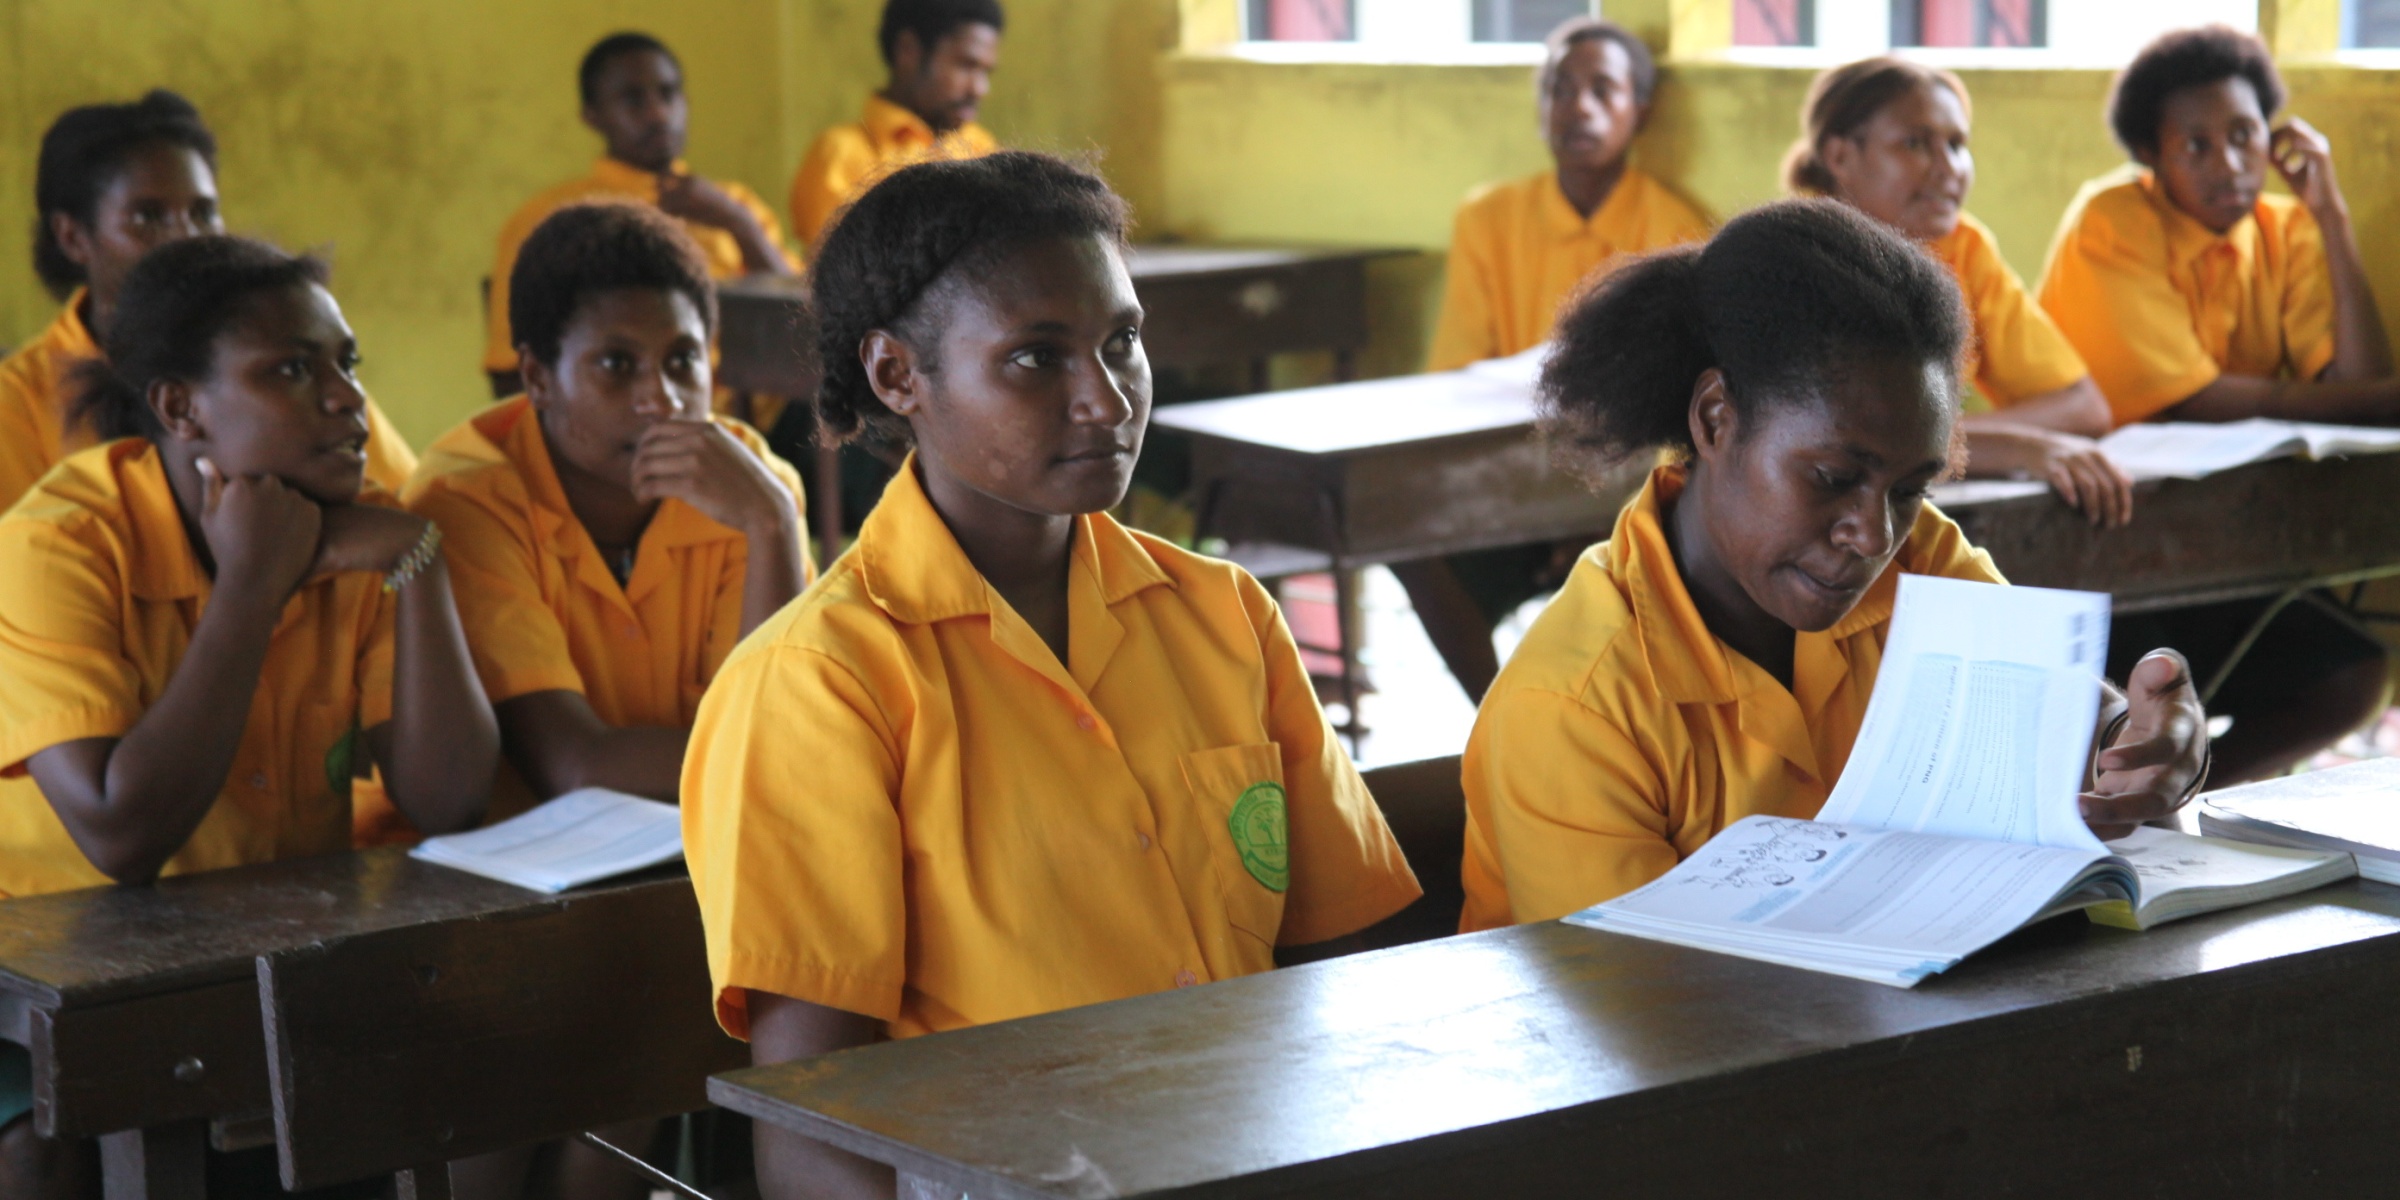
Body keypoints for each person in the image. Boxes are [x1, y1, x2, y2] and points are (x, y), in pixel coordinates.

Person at [682, 151, 1421, 1200]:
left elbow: (1353, 964)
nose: (1106, 398)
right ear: (899, 377)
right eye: (1037, 359)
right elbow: (812, 1131)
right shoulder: (820, 680)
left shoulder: (1222, 614)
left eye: (1122, 341)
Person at [1458, 200, 2210, 932]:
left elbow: (2049, 712)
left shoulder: (1916, 565)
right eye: (1831, 477)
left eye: (1910, 489)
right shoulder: (1575, 705)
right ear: (1717, 418)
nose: (1872, 533)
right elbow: (1650, 1020)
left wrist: (2133, 737)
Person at [0, 236, 497, 1198]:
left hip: (260, 967)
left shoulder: (363, 531)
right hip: (36, 981)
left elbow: (449, 797)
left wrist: (420, 563)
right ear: (182, 408)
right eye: (292, 371)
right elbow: (120, 834)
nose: (350, 399)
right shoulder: (56, 543)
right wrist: (252, 589)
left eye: (347, 365)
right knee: (47, 1150)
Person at [386, 201, 810, 845]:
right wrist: (760, 758)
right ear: (536, 378)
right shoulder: (468, 500)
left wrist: (774, 523)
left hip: (705, 850)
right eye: (617, 364)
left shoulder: (752, 489)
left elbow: (780, 728)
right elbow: (575, 766)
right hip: (514, 881)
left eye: (682, 360)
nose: (661, 399)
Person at [2037, 25, 2393, 782]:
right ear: (2153, 159)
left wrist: (2331, 217)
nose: (2229, 164)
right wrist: (2378, 401)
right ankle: (2125, 798)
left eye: (2244, 135)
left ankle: (2189, 793)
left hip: (2229, 552)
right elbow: (2195, 398)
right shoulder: (2112, 222)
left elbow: (2354, 381)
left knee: (2351, 678)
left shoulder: (2287, 227)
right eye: (2195, 146)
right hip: (2109, 553)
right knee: (2104, 719)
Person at [1404, 17, 1711, 702]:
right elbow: (1456, 370)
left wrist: (1574, 507)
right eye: (1558, 88)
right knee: (1409, 546)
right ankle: (1501, 714)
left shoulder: (1675, 230)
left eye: (1603, 89)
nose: (1577, 107)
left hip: (1620, 491)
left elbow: (1677, 407)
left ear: (1642, 108)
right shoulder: (1489, 217)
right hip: (1506, 475)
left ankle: (1591, 721)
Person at [1, 90, 415, 513]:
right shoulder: (15, 401)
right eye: (148, 217)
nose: (187, 237)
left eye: (203, 213)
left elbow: (404, 505)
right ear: (73, 237)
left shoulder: (298, 367)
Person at [1788, 58, 2131, 528]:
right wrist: (2018, 447)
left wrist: (1948, 442)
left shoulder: (1961, 249)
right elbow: (1840, 441)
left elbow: (2080, 406)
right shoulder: (1793, 256)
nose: (1949, 168)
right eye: (1915, 143)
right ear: (1840, 156)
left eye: (1957, 144)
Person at [482, 32, 797, 398]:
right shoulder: (550, 218)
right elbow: (510, 375)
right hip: (632, 418)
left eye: (669, 94)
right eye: (633, 100)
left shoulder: (735, 204)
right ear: (592, 116)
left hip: (767, 416)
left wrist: (739, 225)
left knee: (861, 399)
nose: (659, 115)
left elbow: (804, 331)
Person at [787, 0, 1003, 251]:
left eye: (987, 72)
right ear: (908, 50)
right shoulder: (839, 155)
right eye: (966, 65)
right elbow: (840, 279)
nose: (980, 89)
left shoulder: (982, 148)